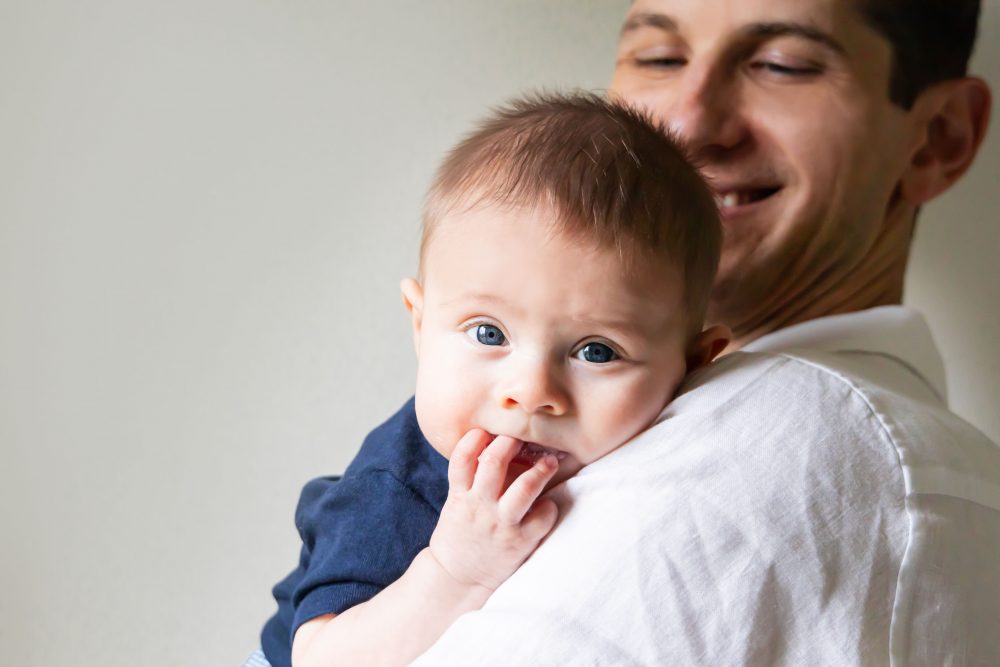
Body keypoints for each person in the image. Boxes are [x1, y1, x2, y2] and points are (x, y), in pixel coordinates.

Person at [407, 0, 1000, 665]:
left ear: (940, 136)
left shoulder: (770, 444)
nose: (687, 125)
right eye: (659, 57)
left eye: (782, 65)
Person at [249, 93, 731, 667]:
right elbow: (323, 658)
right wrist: (456, 571)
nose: (531, 391)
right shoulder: (398, 486)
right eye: (488, 333)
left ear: (694, 365)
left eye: (596, 351)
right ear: (420, 325)